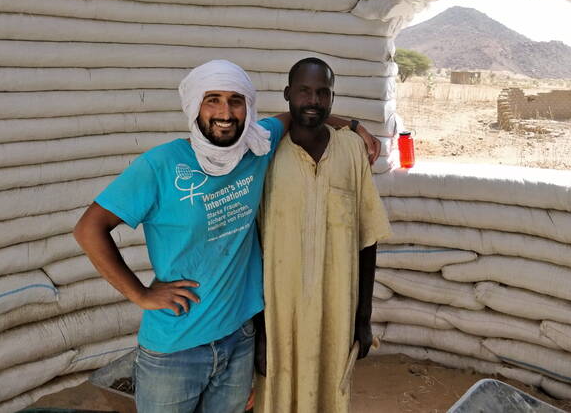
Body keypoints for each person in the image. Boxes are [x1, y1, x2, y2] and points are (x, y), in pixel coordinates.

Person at [72, 59, 379, 413]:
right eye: (212, 99)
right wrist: (140, 293)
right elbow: (89, 228)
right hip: (176, 349)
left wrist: (355, 126)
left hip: (238, 341)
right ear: (194, 106)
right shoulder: (162, 164)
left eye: (235, 101)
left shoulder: (256, 147)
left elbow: (303, 112)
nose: (225, 112)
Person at [254, 58, 392, 413]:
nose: (313, 101)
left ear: (332, 98)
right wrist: (259, 332)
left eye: (322, 92)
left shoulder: (351, 151)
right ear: (287, 94)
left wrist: (363, 318)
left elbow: (367, 240)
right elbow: (251, 245)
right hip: (279, 312)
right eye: (304, 91)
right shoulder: (265, 155)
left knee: (331, 397)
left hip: (337, 309)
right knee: (277, 396)